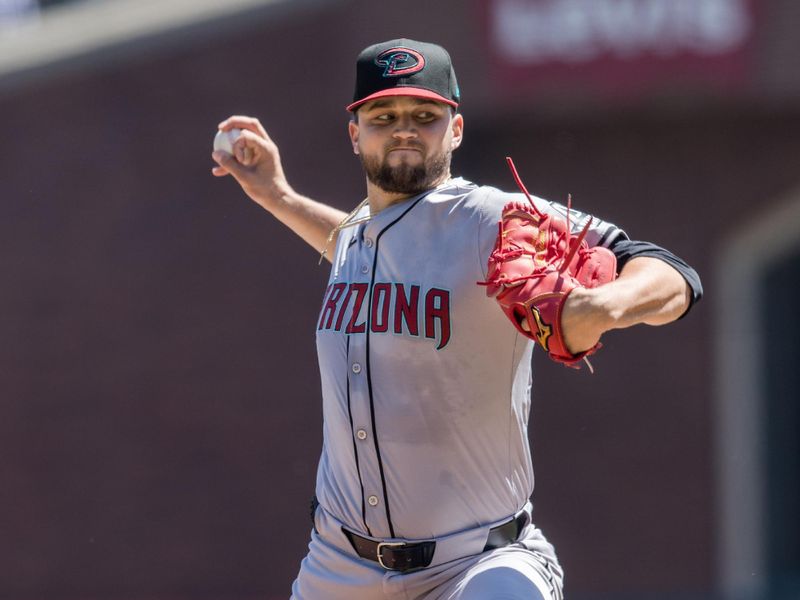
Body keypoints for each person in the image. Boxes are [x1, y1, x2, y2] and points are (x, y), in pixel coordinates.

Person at [211, 38, 702, 600]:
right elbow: (353, 240)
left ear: (456, 129)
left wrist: (600, 309)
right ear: (355, 134)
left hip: (479, 563)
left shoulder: (489, 218)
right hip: (339, 567)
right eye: (383, 116)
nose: (403, 129)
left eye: (425, 115)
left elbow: (670, 270)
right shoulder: (359, 235)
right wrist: (277, 196)